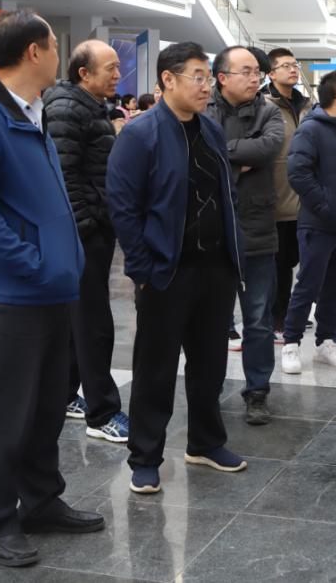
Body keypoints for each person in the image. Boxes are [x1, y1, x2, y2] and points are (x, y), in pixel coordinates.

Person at [0, 10, 102, 568]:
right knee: (6, 415)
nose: (59, 54)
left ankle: (41, 501)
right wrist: (34, 264)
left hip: (51, 290)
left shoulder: (30, 111)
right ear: (34, 51)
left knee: (46, 409)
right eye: (54, 45)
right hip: (12, 295)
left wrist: (61, 265)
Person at [107, 41, 248, 496]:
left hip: (215, 268)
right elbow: (123, 208)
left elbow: (225, 193)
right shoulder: (140, 134)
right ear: (168, 79)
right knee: (156, 369)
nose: (206, 86)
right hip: (167, 271)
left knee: (209, 365)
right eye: (197, 77)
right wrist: (143, 270)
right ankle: (145, 457)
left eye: (209, 78)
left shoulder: (210, 130)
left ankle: (205, 442)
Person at [44, 40, 130, 445]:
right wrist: (88, 224)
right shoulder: (66, 108)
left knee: (80, 319)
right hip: (84, 233)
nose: (118, 75)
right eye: (110, 68)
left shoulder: (89, 106)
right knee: (94, 323)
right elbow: (64, 176)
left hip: (92, 228)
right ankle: (102, 412)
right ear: (84, 73)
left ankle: (65, 394)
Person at [205, 46, 284, 426]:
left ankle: (257, 392)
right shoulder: (203, 109)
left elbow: (269, 148)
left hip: (257, 227)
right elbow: (199, 155)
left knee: (258, 319)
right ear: (222, 77)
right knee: (212, 319)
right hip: (212, 229)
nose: (256, 78)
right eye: (247, 72)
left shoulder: (269, 111)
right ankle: (209, 388)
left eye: (258, 72)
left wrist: (224, 155)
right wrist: (239, 160)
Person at [280, 70, 336, 374]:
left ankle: (325, 342)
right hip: (318, 224)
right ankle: (291, 344)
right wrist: (326, 206)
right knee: (308, 286)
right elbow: (298, 174)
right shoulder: (311, 129)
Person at [263, 47, 313, 341]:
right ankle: (276, 318)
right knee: (278, 264)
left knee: (295, 261)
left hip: (304, 199)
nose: (293, 69)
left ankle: (290, 313)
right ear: (271, 73)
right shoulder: (263, 104)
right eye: (285, 66)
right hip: (276, 197)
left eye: (295, 65)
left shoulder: (307, 105)